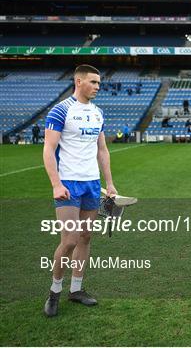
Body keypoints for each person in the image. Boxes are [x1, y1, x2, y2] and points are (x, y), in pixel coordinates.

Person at [42, 65, 117, 317]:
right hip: (68, 184)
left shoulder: (98, 112)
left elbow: (102, 150)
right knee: (70, 240)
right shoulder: (61, 109)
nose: (97, 86)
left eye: (99, 83)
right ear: (79, 81)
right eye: (93, 82)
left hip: (92, 184)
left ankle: (76, 290)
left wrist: (110, 183)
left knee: (85, 238)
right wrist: (56, 183)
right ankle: (54, 291)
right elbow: (48, 150)